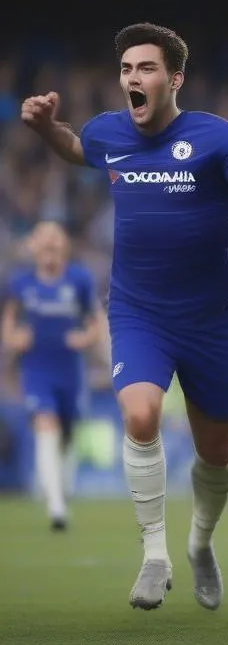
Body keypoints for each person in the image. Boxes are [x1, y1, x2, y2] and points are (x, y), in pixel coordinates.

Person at [19, 21, 228, 612]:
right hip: (138, 312)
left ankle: (199, 545)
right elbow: (77, 148)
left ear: (175, 79)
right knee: (140, 415)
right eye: (127, 70)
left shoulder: (215, 139)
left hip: (212, 320)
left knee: (215, 454)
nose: (133, 79)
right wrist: (44, 127)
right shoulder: (109, 130)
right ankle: (155, 556)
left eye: (147, 69)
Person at [1, 221, 102, 530]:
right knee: (47, 424)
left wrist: (85, 339)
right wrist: (15, 339)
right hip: (37, 370)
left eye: (54, 240)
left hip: (70, 370)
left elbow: (94, 322)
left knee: (67, 433)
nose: (48, 246)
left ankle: (62, 489)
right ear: (32, 246)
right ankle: (56, 507)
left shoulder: (79, 279)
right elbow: (9, 323)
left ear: (64, 246)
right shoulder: (20, 283)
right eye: (42, 240)